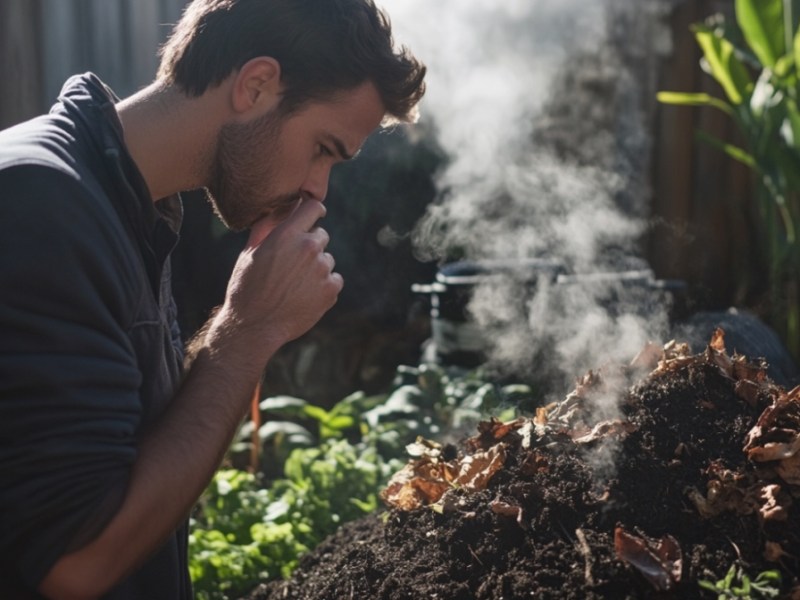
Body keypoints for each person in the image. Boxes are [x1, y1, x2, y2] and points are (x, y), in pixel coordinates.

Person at [0, 0, 426, 597]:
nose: (317, 189)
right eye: (324, 149)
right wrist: (248, 329)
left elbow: (135, 457)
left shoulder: (125, 207)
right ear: (255, 85)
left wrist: (244, 322)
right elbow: (75, 563)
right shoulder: (41, 204)